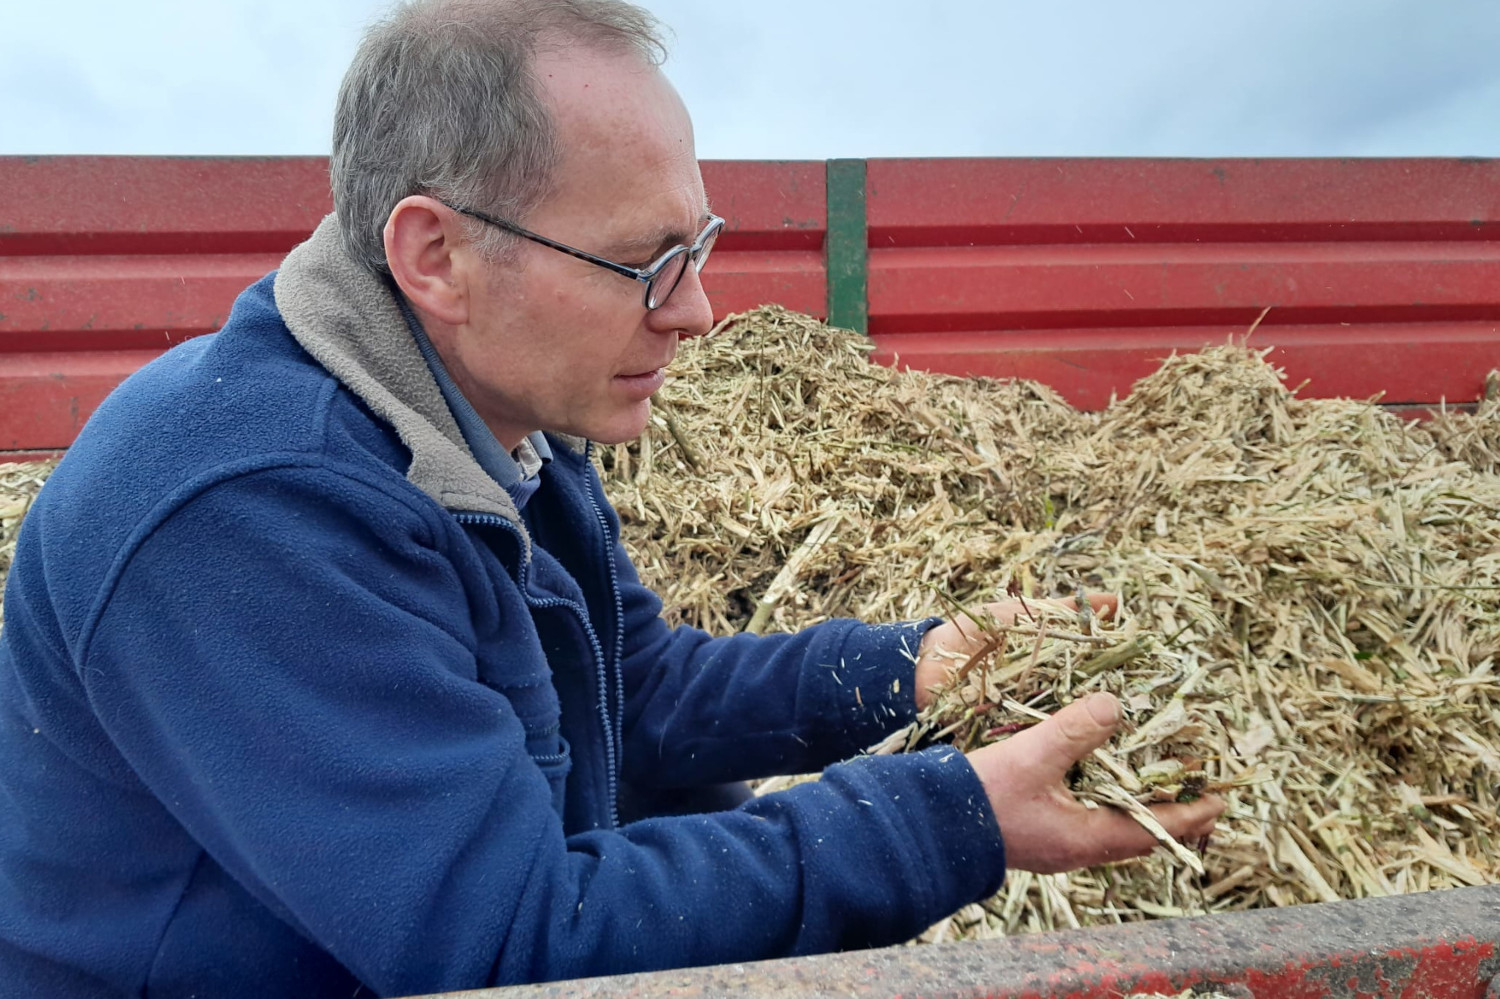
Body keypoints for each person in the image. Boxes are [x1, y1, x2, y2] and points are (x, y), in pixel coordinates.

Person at [0, 1, 1222, 996]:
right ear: (438, 257)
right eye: (647, 264)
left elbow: (636, 695)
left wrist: (915, 670)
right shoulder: (251, 512)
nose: (694, 310)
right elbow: (498, 946)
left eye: (700, 249)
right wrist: (950, 821)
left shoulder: (492, 405)